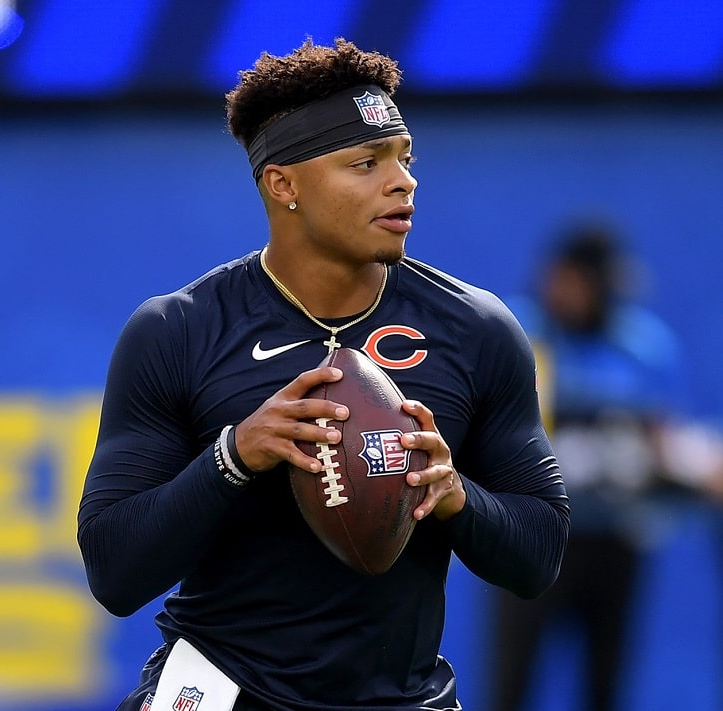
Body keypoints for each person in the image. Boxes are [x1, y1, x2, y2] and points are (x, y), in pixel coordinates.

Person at [78, 38, 569, 711]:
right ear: (284, 185)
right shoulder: (178, 330)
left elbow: (539, 553)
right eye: (365, 163)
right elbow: (114, 569)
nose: (403, 182)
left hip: (401, 697)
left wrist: (455, 495)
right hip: (220, 687)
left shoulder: (476, 328)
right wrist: (234, 454)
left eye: (405, 159)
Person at [488, 224, 690, 711]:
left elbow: (665, 442)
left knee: (605, 682)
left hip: (613, 539)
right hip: (532, 536)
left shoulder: (644, 346)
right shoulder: (520, 332)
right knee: (513, 681)